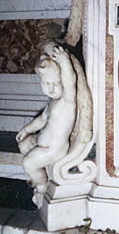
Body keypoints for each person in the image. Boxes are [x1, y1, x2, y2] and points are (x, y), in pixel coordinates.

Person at [16, 46, 77, 207]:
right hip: (44, 144)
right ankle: (39, 174)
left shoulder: (67, 101)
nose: (51, 88)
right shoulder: (52, 102)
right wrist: (27, 129)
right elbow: (42, 120)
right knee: (23, 144)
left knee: (28, 163)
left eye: (56, 83)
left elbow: (70, 82)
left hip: (54, 149)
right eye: (46, 83)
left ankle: (42, 186)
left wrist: (65, 62)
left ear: (62, 82)